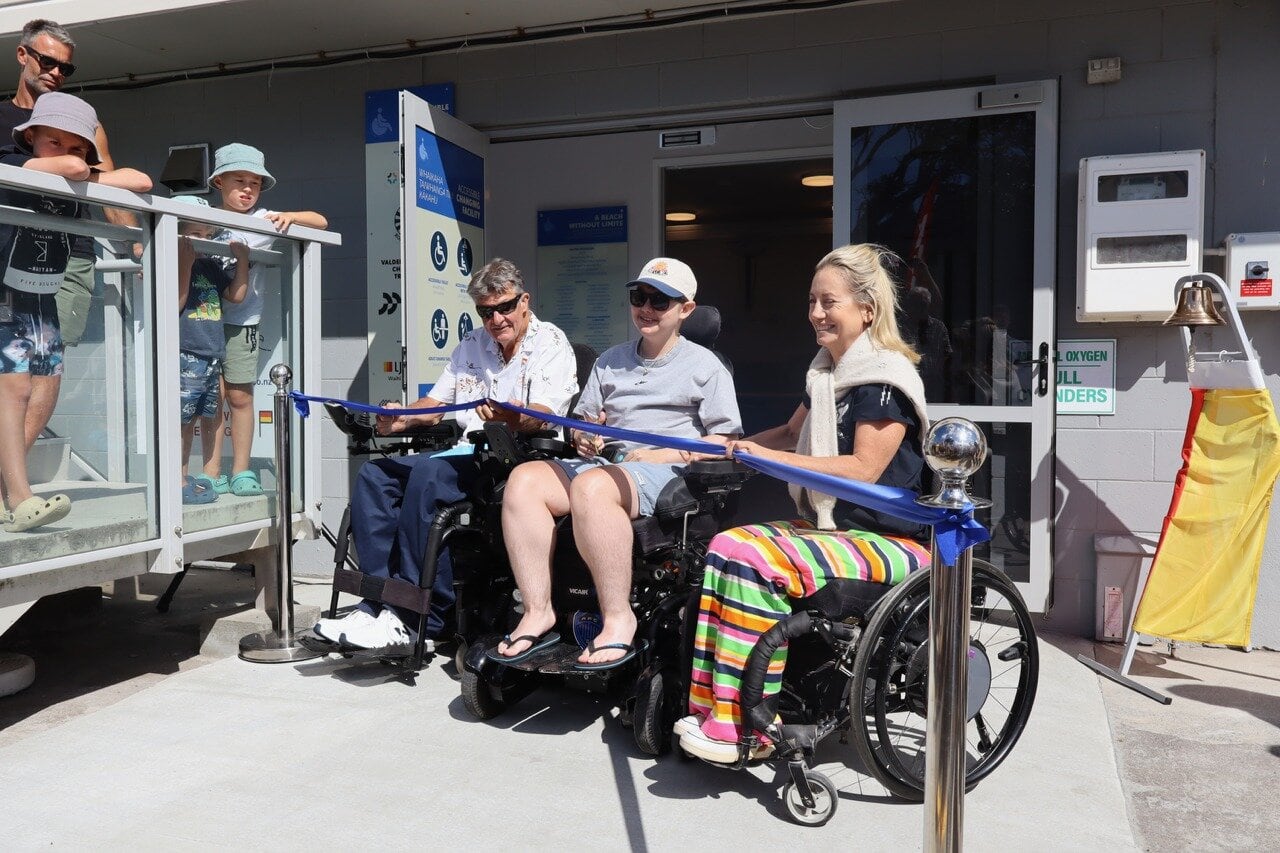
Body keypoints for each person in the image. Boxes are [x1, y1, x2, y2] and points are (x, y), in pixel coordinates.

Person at [675, 244, 932, 764]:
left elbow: (863, 470)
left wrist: (765, 456)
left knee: (753, 558)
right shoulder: (825, 375)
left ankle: (751, 724)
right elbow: (791, 434)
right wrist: (733, 447)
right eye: (812, 301)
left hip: (891, 543)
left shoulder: (882, 380)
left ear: (867, 308)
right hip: (832, 532)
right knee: (724, 546)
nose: (815, 313)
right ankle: (715, 708)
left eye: (828, 302)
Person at [313, 258, 578, 650]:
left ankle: (420, 615)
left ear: (524, 301)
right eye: (486, 312)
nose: (497, 319)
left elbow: (545, 415)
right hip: (466, 452)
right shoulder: (472, 343)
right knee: (375, 474)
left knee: (428, 477)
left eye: (505, 307)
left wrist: (510, 416)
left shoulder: (550, 342)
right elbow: (435, 403)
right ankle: (379, 602)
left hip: (518, 458)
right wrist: (399, 420)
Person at [495, 258, 742, 669]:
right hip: (608, 465)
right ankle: (537, 611)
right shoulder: (610, 360)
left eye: (659, 300)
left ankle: (618, 619)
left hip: (667, 472)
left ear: (685, 309)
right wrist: (583, 435)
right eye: (638, 297)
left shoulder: (706, 367)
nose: (646, 308)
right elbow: (584, 421)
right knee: (523, 481)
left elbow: (725, 441)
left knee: (593, 489)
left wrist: (662, 453)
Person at [0, 93, 151, 532]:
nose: (67, 152)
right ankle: (20, 495)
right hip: (7, 289)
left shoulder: (74, 166)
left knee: (41, 383)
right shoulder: (12, 159)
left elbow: (140, 180)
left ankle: (10, 492)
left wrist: (89, 166)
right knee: (14, 389)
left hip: (43, 291)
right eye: (53, 140)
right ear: (30, 137)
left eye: (78, 143)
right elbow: (74, 170)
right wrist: (83, 164)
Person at [0, 19, 141, 470]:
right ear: (23, 56)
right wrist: (71, 166)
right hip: (8, 257)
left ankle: (8, 483)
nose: (56, 73)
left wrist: (138, 249)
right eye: (47, 61)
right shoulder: (2, 119)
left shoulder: (85, 121)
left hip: (67, 255)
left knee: (48, 373)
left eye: (66, 68)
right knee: (12, 377)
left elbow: (113, 185)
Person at [202, 143, 328, 497]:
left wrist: (291, 216)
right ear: (218, 181)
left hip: (243, 322)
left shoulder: (263, 220)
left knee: (240, 397)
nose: (247, 189)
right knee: (212, 398)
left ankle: (241, 470)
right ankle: (211, 470)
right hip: (204, 320)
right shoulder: (204, 220)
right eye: (239, 180)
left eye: (254, 183)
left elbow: (320, 221)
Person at [171, 195, 249, 504]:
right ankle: (176, 480)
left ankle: (188, 477)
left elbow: (236, 295)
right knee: (181, 420)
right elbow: (174, 304)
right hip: (185, 353)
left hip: (210, 355)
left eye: (207, 235)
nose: (202, 241)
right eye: (195, 234)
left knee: (202, 417)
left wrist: (242, 260)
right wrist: (184, 265)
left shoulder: (210, 265)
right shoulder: (172, 262)